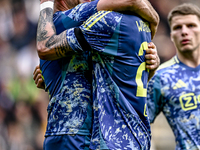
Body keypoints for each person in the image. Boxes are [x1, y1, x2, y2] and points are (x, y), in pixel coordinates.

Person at [36, 0, 159, 149]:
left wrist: (146, 65)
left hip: (89, 135)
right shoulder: (66, 21)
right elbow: (132, 1)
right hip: (71, 136)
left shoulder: (95, 27)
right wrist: (154, 21)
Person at [147, 3, 200, 150]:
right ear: (171, 35)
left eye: (191, 25)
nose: (184, 32)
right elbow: (140, 123)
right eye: (177, 27)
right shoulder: (161, 77)